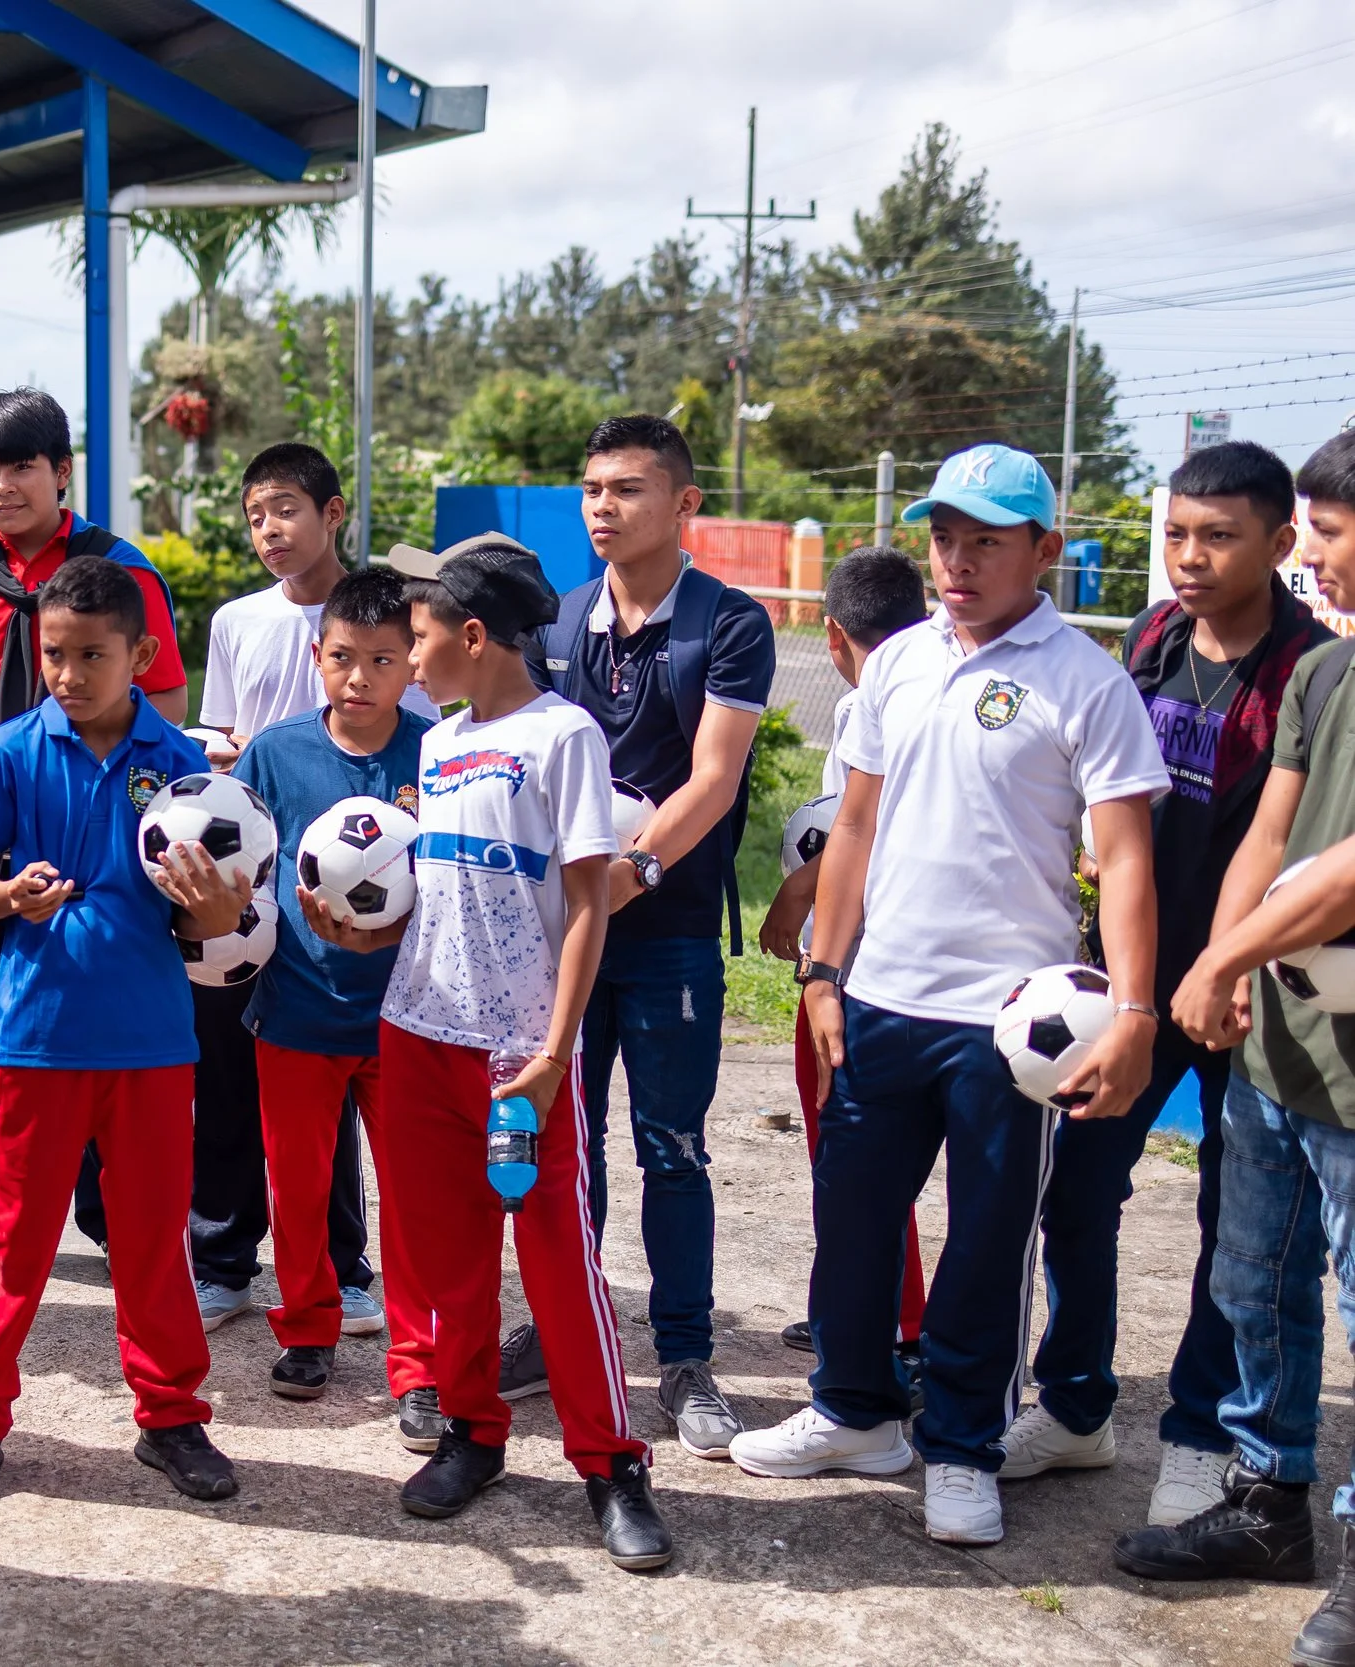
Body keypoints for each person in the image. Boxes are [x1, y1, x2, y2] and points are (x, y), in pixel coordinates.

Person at [730, 443, 1168, 1552]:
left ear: (1044, 552)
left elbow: (1121, 861)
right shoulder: (896, 666)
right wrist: (826, 972)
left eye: (985, 539)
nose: (958, 561)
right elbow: (855, 827)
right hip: (879, 997)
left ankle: (965, 1444)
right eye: (943, 538)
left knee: (981, 1243)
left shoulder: (1086, 680)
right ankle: (850, 1411)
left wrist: (1132, 1010)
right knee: (853, 1220)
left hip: (1008, 1025)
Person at [304, 535, 666, 1564]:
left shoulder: (563, 737)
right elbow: (436, 901)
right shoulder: (438, 742)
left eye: (417, 640)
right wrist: (361, 933)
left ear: (472, 633)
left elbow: (590, 902)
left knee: (556, 1261)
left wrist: (553, 1052)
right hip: (418, 1036)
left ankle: (610, 1463)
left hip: (518, 1055)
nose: (408, 662)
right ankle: (472, 1432)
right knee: (445, 1263)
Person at [1011, 441, 1330, 1526]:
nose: (1187, 558)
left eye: (1217, 536)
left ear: (1280, 543)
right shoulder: (1149, 639)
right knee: (1078, 1187)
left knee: (1232, 1228)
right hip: (1131, 981)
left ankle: (1197, 1429)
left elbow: (1285, 838)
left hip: (1241, 991)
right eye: (1176, 535)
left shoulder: (1308, 670)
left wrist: (1225, 959)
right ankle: (1076, 1401)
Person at [0, 554, 250, 1516]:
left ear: (141, 654)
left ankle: (172, 1415)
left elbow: (212, 921)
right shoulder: (15, 749)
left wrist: (218, 907)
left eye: (91, 655)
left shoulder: (182, 766)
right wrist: (8, 893)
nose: (67, 673)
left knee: (152, 1243)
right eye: (53, 652)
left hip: (151, 1044)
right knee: (11, 1241)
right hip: (37, 1041)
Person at [1115, 432, 1355, 1667]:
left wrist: (1216, 960)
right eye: (1309, 527)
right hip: (1274, 1034)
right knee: (1255, 1278)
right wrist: (1217, 967)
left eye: (1325, 529)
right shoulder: (1328, 676)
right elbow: (1270, 829)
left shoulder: (1306, 656)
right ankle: (1268, 1505)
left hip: (1333, 1051)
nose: (1311, 553)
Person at [507, 413, 773, 1460]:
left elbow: (713, 775)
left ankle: (686, 1356)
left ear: (683, 504)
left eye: (626, 488)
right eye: (591, 489)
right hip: (563, 936)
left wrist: (632, 872)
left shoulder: (730, 623)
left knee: (672, 1145)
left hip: (662, 933)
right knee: (561, 1145)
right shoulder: (559, 623)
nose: (603, 507)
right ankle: (563, 1326)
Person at [0, 389, 187, 1266]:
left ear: (61, 471)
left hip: (98, 822)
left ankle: (109, 1216)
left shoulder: (123, 572)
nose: (1, 486)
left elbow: (168, 701)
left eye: (20, 466)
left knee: (90, 1023)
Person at [188, 442, 428, 1338]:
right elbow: (223, 738)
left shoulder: (386, 627)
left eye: (285, 508)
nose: (269, 529)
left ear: (333, 513)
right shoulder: (239, 621)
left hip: (366, 910)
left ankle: (346, 1269)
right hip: (261, 890)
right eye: (254, 515)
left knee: (339, 1115)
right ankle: (223, 1260)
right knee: (238, 1089)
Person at [229, 564, 436, 1433]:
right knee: (299, 1189)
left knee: (419, 1195)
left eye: (383, 661)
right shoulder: (275, 753)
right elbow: (238, 858)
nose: (360, 678)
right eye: (344, 657)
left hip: (407, 1020)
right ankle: (307, 1328)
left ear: (413, 665)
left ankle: (421, 1362)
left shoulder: (435, 754)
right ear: (317, 655)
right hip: (299, 1010)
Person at [755, 547, 931, 1376]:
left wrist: (799, 889)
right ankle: (874, 1307)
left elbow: (877, 823)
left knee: (856, 1151)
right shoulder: (906, 695)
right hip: (865, 966)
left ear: (832, 637)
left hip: (860, 976)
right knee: (859, 1157)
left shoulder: (892, 706)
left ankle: (892, 1326)